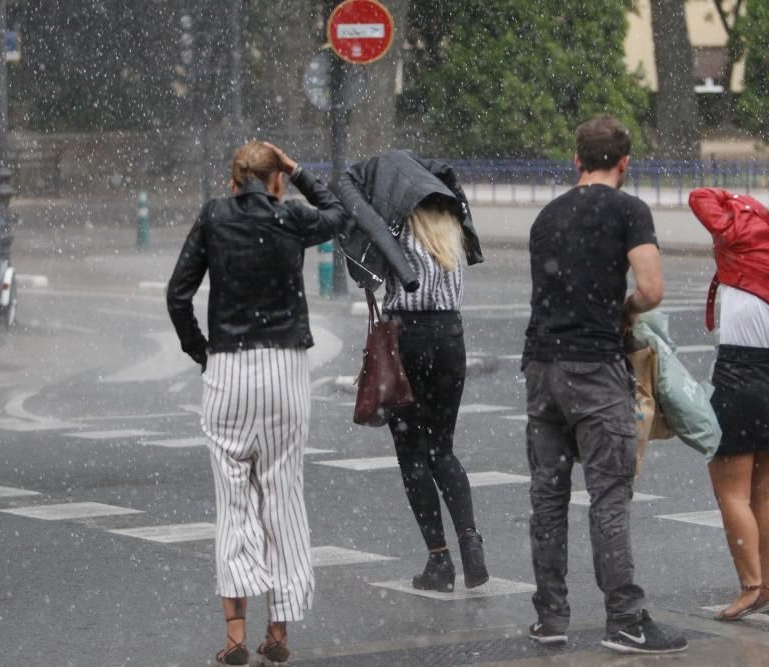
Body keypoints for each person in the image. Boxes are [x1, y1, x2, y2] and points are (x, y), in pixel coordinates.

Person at [167, 141, 349, 666]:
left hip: (228, 369)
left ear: (232, 182)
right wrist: (299, 172)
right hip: (285, 369)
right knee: (283, 499)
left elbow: (178, 295)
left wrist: (202, 352)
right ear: (274, 181)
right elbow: (338, 214)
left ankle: (234, 637)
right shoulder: (291, 215)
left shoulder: (213, 217)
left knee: (234, 503)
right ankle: (279, 632)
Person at [522, 114, 688, 655]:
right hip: (595, 368)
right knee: (609, 498)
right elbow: (651, 288)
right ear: (624, 164)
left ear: (576, 161)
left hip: (543, 367)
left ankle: (551, 618)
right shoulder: (628, 210)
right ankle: (624, 620)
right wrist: (623, 312)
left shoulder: (547, 216)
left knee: (547, 498)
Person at [334, 150, 489, 593]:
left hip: (410, 338)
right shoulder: (453, 223)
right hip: (451, 338)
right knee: (444, 448)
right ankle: (471, 540)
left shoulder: (399, 228)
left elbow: (370, 274)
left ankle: (439, 561)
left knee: (412, 453)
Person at [688, 187, 769, 621]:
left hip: (738, 381)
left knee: (732, 495)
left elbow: (699, 197)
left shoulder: (739, 246)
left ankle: (749, 587)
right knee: (766, 495)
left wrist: (734, 197)